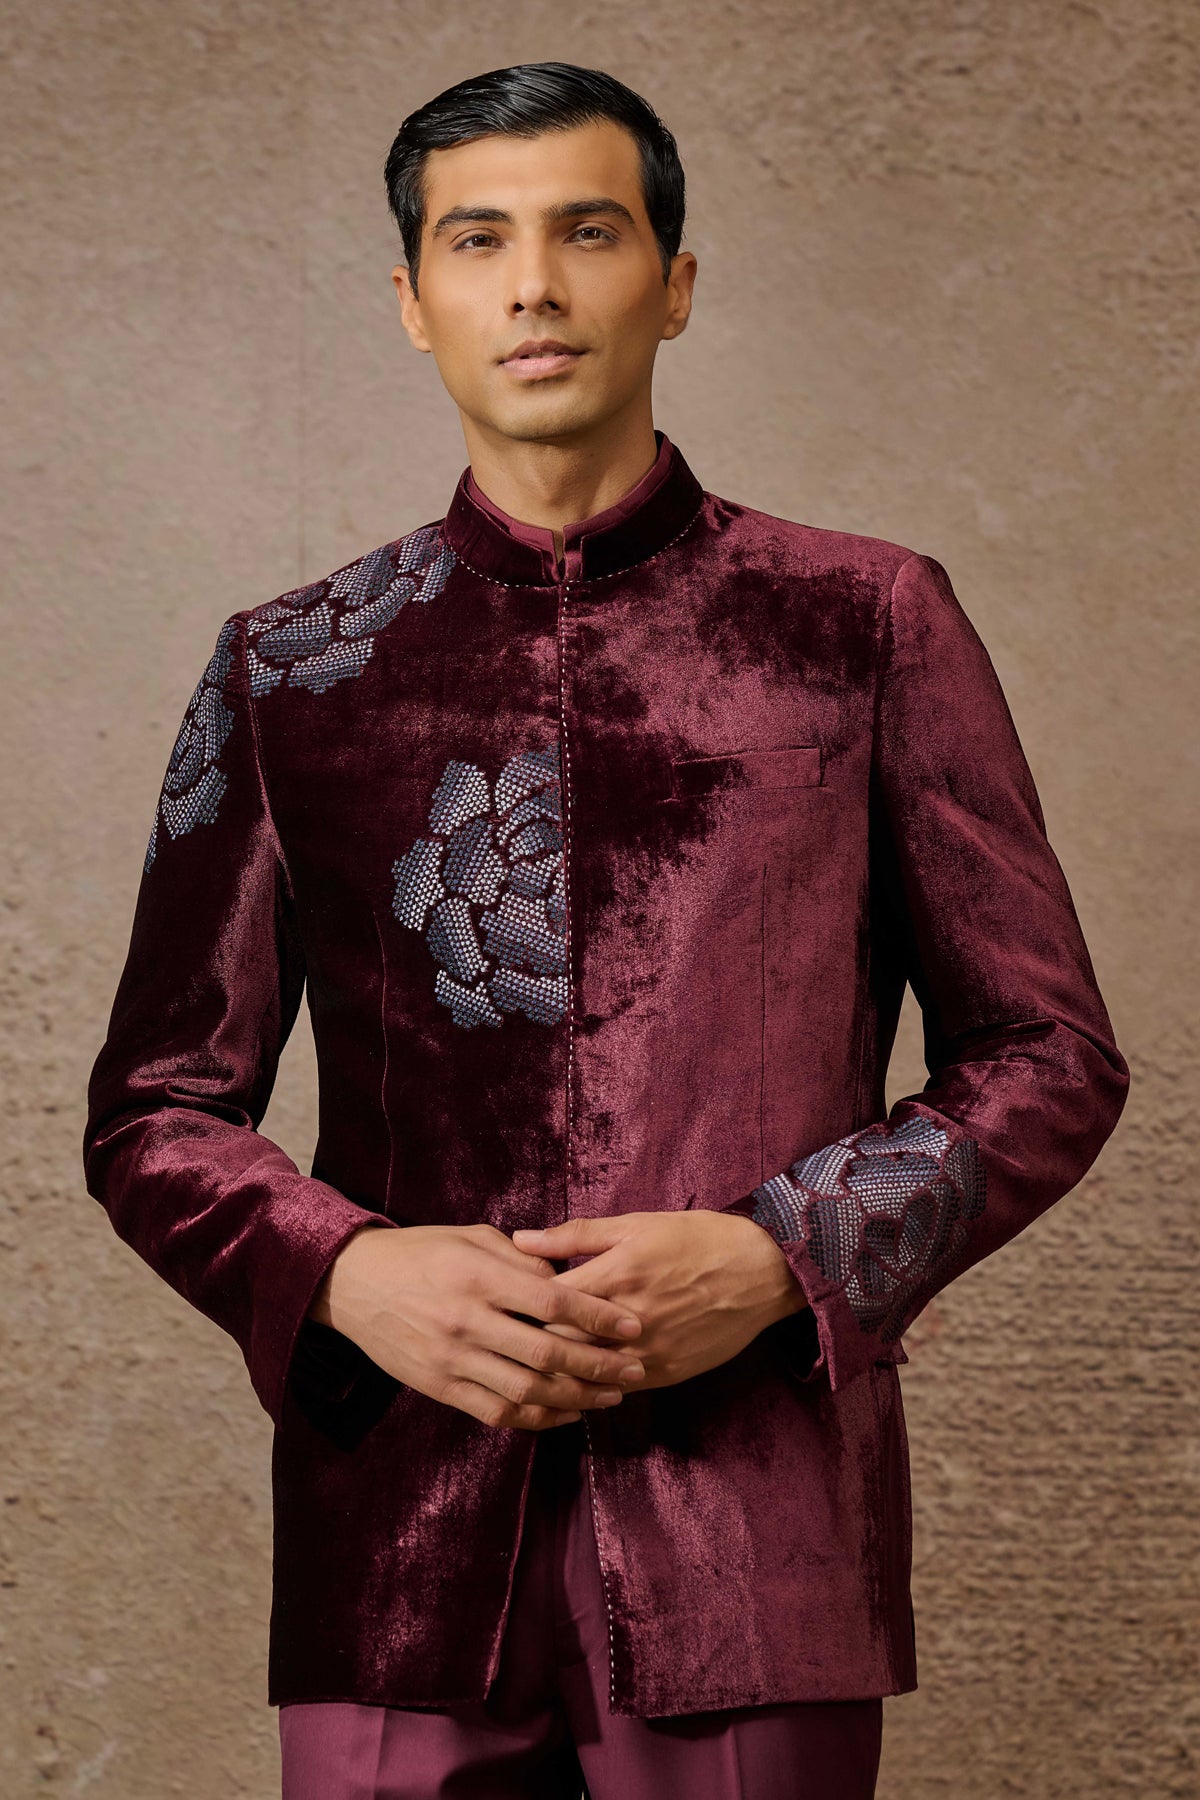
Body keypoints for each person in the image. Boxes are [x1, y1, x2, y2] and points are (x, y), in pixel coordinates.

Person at [83, 60, 1130, 1800]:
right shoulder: (289, 668)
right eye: (477, 241)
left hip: (755, 1528)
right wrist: (346, 1272)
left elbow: (1049, 1055)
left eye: (588, 232)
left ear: (677, 282)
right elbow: (152, 1112)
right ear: (412, 301)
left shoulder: (864, 622)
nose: (534, 287)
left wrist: (780, 1256)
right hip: (395, 1527)